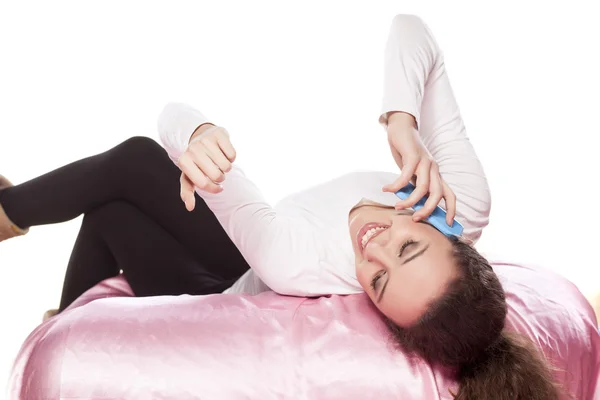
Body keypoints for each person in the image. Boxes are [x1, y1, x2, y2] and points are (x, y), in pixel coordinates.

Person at [0, 14, 561, 399]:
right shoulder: (461, 198)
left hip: (218, 292)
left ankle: (49, 301)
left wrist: (197, 137)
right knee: (129, 173)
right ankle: (17, 228)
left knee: (119, 199)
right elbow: (411, 31)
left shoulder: (291, 256)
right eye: (409, 244)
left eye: (380, 283)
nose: (376, 248)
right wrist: (403, 122)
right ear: (450, 231)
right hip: (244, 257)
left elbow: (173, 124)